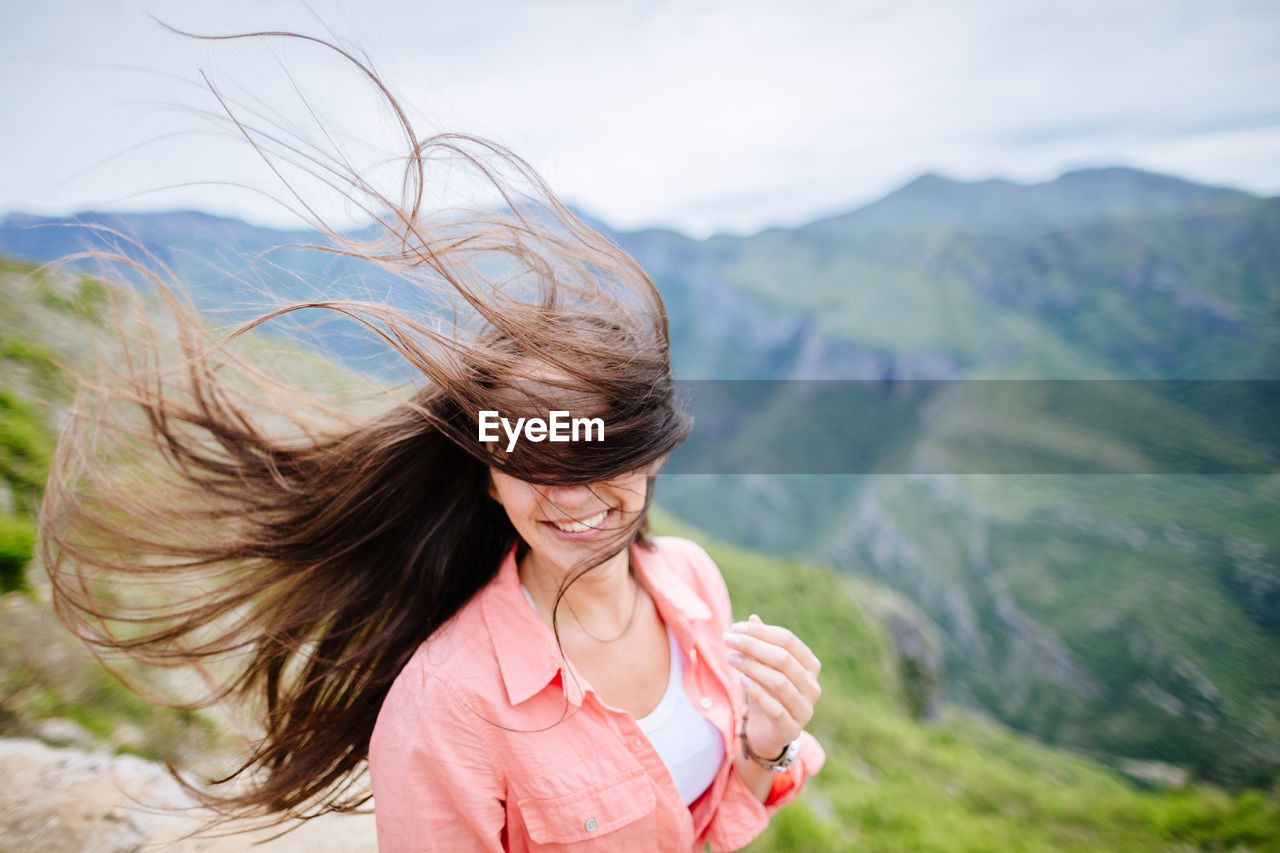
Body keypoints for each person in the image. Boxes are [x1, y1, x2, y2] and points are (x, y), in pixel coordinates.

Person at [38, 30, 823, 852]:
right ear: (488, 477)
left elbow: (710, 823)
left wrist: (767, 745)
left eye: (598, 454)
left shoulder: (693, 585)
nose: (574, 495)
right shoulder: (449, 701)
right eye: (530, 459)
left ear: (654, 453)